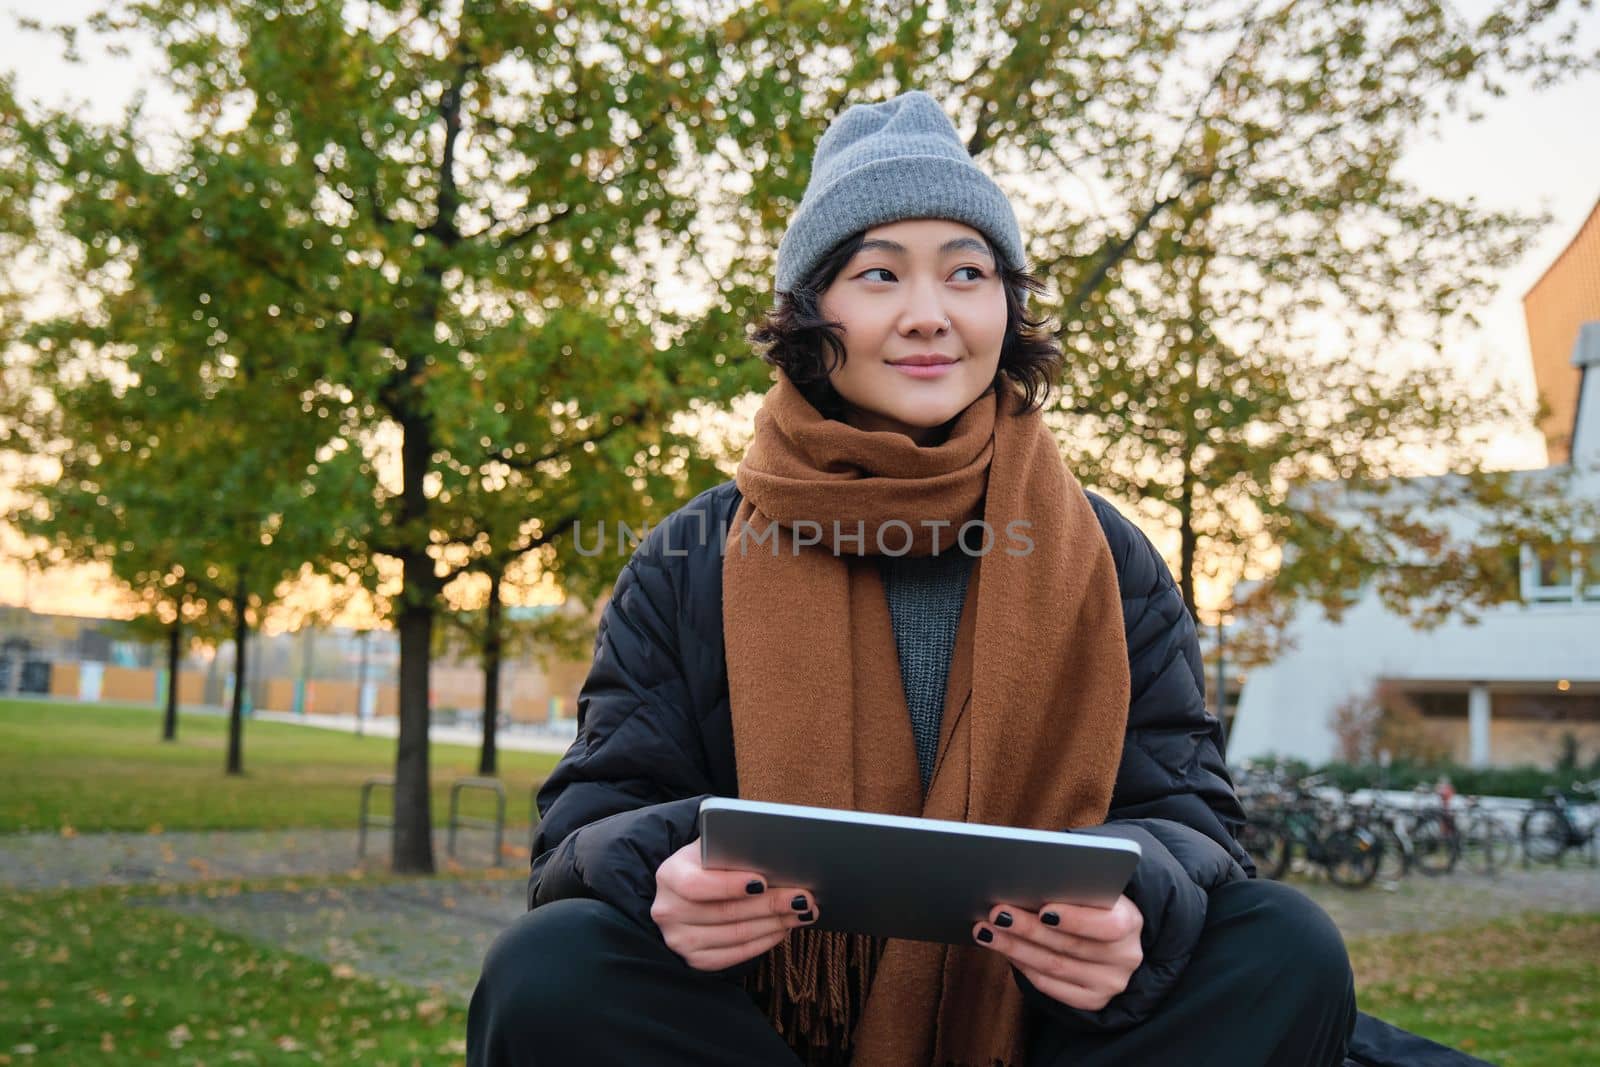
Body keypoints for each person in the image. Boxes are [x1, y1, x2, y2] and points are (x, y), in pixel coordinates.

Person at [467, 89, 1357, 1067]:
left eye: (966, 273)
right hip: (763, 1025)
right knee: (547, 967)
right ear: (812, 312)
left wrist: (1137, 899)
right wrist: (671, 869)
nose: (928, 315)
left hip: (1039, 1023)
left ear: (1005, 306)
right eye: (879, 273)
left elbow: (1192, 819)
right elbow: (586, 825)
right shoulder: (689, 556)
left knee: (1283, 945)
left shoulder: (1108, 553)